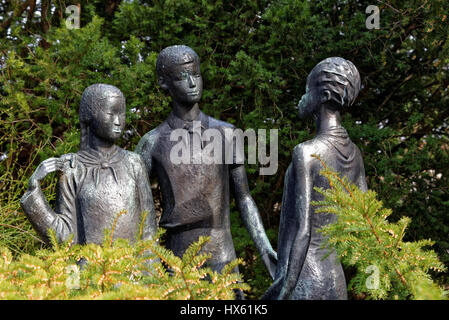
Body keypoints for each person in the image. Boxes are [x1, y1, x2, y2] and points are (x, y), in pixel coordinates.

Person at [135, 45, 277, 295]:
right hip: (175, 263)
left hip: (222, 257)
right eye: (181, 77)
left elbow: (244, 198)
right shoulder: (152, 142)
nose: (192, 83)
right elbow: (135, 209)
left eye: (196, 74)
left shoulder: (226, 134)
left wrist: (265, 248)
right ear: (164, 83)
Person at [263, 57, 368, 300]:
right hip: (335, 279)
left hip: (304, 277)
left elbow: (304, 230)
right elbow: (365, 220)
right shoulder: (355, 154)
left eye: (306, 90)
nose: (301, 98)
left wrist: (284, 288)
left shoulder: (307, 152)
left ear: (320, 97)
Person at [21, 83, 157, 245]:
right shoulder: (72, 169)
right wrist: (34, 191)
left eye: (121, 114)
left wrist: (150, 268)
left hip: (133, 268)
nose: (118, 121)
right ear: (89, 115)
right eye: (110, 113)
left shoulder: (134, 163)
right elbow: (65, 238)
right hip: (91, 268)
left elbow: (148, 229)